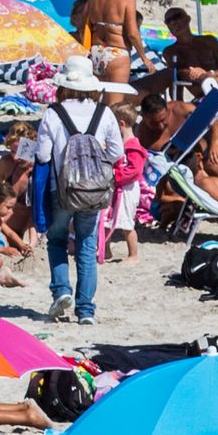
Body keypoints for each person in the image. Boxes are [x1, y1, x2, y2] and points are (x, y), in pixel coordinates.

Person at [26, 62, 128, 324]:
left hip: (62, 188)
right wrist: (94, 160)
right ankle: (86, 309)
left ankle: (61, 291)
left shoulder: (53, 113)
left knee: (57, 239)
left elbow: (42, 155)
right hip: (94, 190)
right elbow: (117, 153)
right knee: (87, 244)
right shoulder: (104, 113)